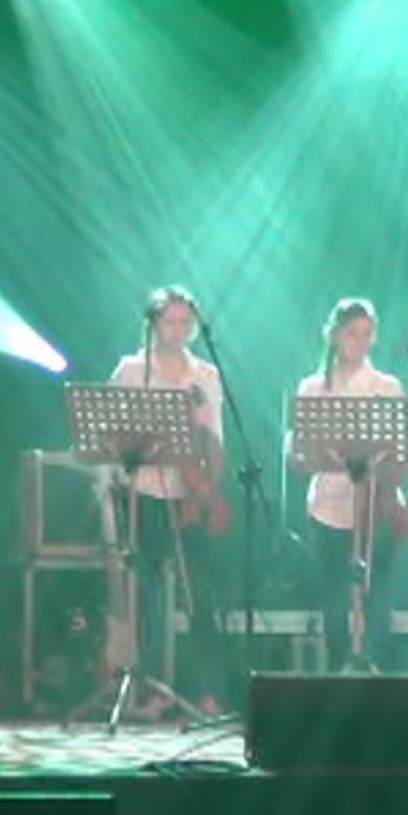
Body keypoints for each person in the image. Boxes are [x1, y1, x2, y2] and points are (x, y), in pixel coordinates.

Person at [108, 286, 231, 717]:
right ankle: (151, 690)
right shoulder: (131, 370)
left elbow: (215, 441)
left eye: (185, 322)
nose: (178, 330)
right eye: (169, 322)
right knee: (147, 593)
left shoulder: (206, 375)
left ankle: (208, 691)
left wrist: (205, 493)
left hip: (191, 492)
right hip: (143, 491)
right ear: (153, 324)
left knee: (201, 595)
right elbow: (113, 435)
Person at [293, 298, 408, 672]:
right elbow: (301, 453)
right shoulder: (313, 387)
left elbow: (400, 454)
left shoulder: (386, 386)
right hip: (328, 505)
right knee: (334, 597)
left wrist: (392, 498)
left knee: (377, 596)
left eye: (367, 334)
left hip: (376, 504)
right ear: (334, 335)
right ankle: (338, 670)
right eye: (352, 333)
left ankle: (373, 667)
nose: (360, 341)